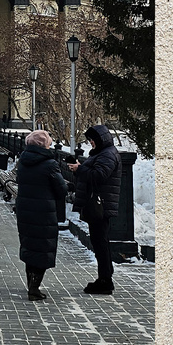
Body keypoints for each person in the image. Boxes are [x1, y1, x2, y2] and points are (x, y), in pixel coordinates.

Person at [68, 124, 122, 295]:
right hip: (99, 204)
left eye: (92, 139)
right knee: (100, 242)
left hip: (101, 205)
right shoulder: (104, 153)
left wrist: (80, 168)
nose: (90, 142)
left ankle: (105, 280)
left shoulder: (108, 154)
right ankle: (105, 276)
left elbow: (99, 176)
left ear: (101, 139)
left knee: (100, 242)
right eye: (89, 140)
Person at [15, 129, 68, 301]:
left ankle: (31, 283)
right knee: (43, 247)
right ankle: (34, 288)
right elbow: (61, 189)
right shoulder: (49, 164)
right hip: (44, 212)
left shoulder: (23, 161)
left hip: (25, 209)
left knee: (30, 245)